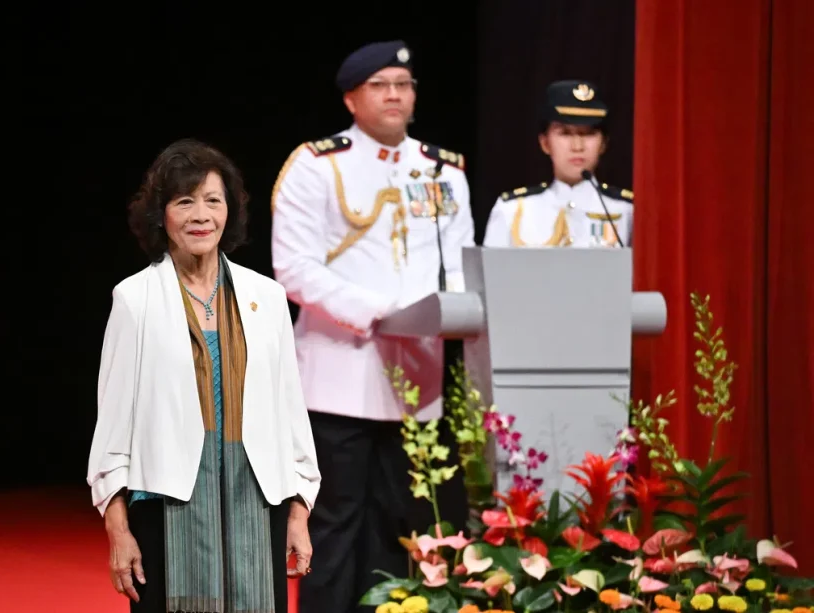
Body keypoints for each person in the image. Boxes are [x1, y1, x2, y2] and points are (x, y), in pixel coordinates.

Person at [270, 40, 476, 613]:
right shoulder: (316, 164)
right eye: (380, 85)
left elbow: (461, 264)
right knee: (334, 526)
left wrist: (445, 310)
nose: (394, 95)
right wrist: (379, 310)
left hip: (418, 382)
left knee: (404, 526)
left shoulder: (444, 170)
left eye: (403, 85)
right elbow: (293, 267)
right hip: (340, 375)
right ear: (351, 99)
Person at [86, 138, 321, 613]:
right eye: (184, 202)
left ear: (229, 211)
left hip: (257, 504)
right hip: (166, 507)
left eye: (213, 201)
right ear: (161, 215)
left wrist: (299, 511)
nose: (201, 216)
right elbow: (112, 429)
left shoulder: (266, 297)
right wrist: (117, 530)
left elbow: (290, 412)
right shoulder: (135, 299)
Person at [483, 80, 634, 248]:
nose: (577, 146)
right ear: (545, 143)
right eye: (565, 133)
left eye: (588, 134)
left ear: (604, 143)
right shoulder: (513, 210)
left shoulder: (626, 210)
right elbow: (491, 265)